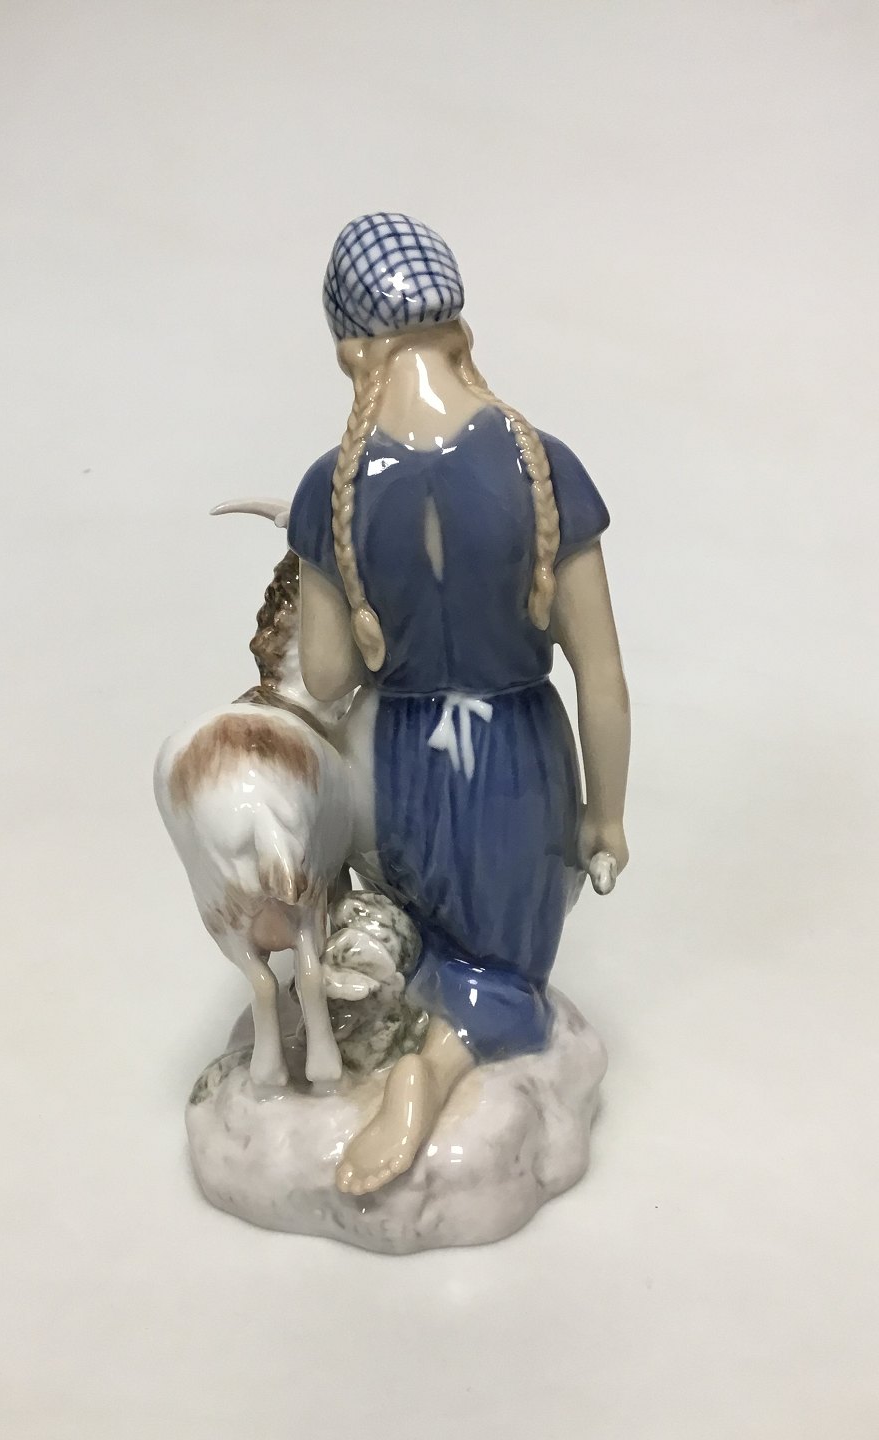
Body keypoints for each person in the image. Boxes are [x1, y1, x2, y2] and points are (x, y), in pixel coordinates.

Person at [287, 213, 630, 1196]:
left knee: (424, 938)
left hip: (402, 761)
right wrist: (605, 814)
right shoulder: (544, 467)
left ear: (351, 349)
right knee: (508, 970)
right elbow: (601, 674)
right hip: (518, 760)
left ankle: (413, 1048)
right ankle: (435, 1067)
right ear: (459, 327)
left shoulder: (332, 486)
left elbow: (325, 677)